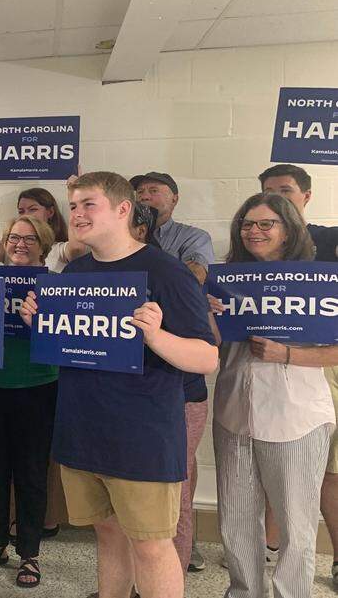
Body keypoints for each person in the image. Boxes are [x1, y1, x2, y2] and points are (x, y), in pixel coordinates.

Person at [19, 171, 218, 598]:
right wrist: (40, 324)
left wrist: (157, 336)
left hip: (141, 438)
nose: (77, 214)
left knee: (151, 546)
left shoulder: (165, 272)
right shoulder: (73, 272)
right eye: (73, 206)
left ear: (123, 209)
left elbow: (207, 356)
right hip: (83, 432)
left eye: (89, 204)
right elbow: (69, 349)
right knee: (108, 538)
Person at [208, 192, 337, 598]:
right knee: (236, 519)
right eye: (247, 224)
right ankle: (243, 592)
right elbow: (212, 347)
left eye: (266, 224)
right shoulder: (227, 280)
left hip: (296, 416)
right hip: (234, 412)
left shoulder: (318, 281)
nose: (254, 231)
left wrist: (288, 353)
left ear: (288, 230)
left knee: (295, 523)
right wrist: (209, 313)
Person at [0, 215, 58, 589]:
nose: (20, 244)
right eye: (14, 238)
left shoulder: (56, 286)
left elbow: (66, 343)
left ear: (44, 244)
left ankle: (30, 554)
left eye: (30, 238)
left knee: (32, 474)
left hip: (38, 386)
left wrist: (40, 322)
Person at [129, 171, 215, 575]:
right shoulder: (105, 264)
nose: (147, 196)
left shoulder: (178, 262)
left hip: (180, 390)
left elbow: (196, 276)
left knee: (174, 487)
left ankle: (174, 571)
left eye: (154, 192)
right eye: (139, 192)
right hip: (133, 390)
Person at [259, 163, 338, 582]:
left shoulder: (330, 241)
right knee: (276, 464)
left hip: (321, 371)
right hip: (271, 376)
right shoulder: (248, 253)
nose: (277, 198)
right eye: (269, 191)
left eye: (286, 191)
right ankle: (270, 548)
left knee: (324, 474)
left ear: (306, 196)